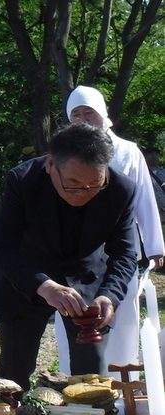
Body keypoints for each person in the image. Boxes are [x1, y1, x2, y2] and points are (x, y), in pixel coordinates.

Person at [0, 123, 138, 391]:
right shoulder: (23, 181)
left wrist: (110, 295)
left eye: (95, 185)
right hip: (25, 280)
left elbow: (126, 253)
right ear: (50, 165)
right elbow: (2, 247)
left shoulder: (121, 190)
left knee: (92, 378)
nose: (84, 194)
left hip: (86, 284)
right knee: (13, 373)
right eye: (73, 185)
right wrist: (44, 285)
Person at [55, 85, 165, 376]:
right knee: (73, 315)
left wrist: (155, 246)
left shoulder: (128, 151)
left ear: (102, 113)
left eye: (88, 111)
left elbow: (142, 196)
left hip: (120, 249)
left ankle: (120, 381)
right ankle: (77, 382)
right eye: (75, 114)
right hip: (75, 252)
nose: (82, 118)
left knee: (123, 313)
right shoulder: (61, 157)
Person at [144, 148, 165, 249]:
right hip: (150, 214)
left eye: (155, 154)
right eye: (150, 154)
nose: (153, 156)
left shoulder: (163, 172)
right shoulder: (141, 174)